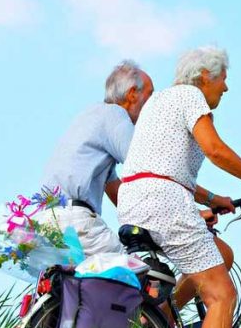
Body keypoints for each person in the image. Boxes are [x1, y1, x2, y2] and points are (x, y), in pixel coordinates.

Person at [117, 46, 241, 328]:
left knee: (221, 254)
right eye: (223, 78)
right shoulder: (191, 96)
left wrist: (212, 199)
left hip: (136, 201)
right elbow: (215, 149)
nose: (225, 87)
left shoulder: (160, 102)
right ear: (206, 76)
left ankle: (159, 323)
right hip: (164, 202)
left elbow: (162, 166)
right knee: (222, 295)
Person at [34, 60, 153, 255]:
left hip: (47, 222)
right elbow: (146, 166)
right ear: (132, 94)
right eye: (150, 95)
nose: (152, 104)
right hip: (75, 221)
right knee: (136, 274)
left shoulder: (90, 116)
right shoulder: (115, 114)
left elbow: (120, 195)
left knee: (81, 283)